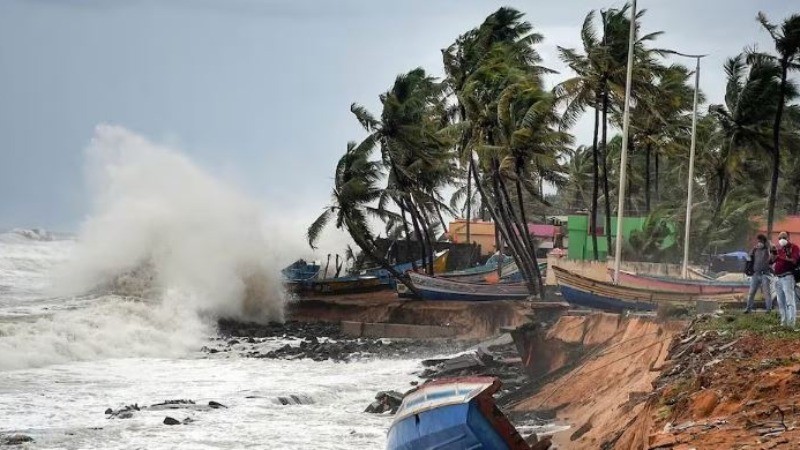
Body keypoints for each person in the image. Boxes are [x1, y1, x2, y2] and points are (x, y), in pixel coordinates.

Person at [772, 231, 799, 328]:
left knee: (789, 301)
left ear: (788, 238)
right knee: (780, 302)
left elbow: (794, 261)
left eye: (783, 237)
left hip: (788, 277)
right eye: (779, 238)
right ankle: (783, 323)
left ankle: (791, 324)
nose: (781, 240)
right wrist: (772, 253)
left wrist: (780, 257)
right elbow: (771, 261)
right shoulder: (779, 249)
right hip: (778, 278)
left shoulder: (794, 248)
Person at [744, 234, 773, 313]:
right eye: (758, 241)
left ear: (764, 242)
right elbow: (749, 259)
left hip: (765, 274)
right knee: (751, 292)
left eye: (761, 241)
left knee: (767, 293)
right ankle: (748, 309)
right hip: (756, 274)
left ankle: (769, 309)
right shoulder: (754, 250)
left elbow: (771, 250)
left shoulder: (767, 249)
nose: (759, 243)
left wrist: (767, 243)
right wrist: (748, 269)